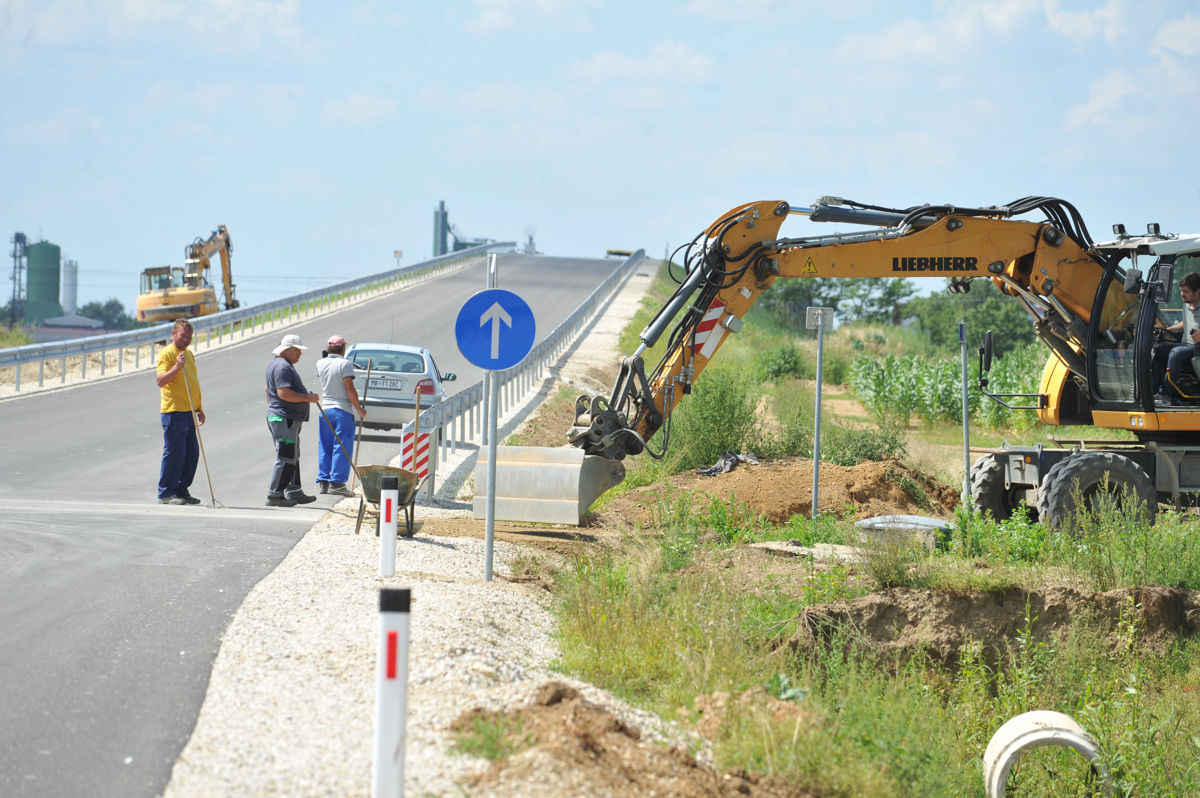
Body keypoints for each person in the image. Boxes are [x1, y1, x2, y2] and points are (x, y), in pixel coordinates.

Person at [265, 334, 320, 507]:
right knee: (286, 456)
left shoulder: (279, 364)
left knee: (292, 455)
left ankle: (294, 491)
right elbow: (283, 393)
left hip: (285, 417)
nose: (300, 354)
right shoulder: (282, 367)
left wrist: (275, 407)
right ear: (286, 350)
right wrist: (307, 398)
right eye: (297, 350)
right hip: (285, 418)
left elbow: (268, 390)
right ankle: (275, 494)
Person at [156, 318, 205, 505]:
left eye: (189, 336)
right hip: (174, 411)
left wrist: (198, 407)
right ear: (173, 334)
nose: (186, 339)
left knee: (192, 453)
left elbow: (192, 382)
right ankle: (166, 492)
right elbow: (161, 381)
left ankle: (180, 489)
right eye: (183, 335)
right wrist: (177, 366)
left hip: (189, 411)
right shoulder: (167, 354)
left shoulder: (188, 353)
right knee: (175, 453)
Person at [315, 335, 367, 496]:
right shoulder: (345, 364)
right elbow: (350, 389)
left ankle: (324, 481)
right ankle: (337, 483)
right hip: (342, 410)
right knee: (342, 446)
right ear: (343, 348)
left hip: (325, 410)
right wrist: (359, 410)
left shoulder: (320, 363)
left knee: (325, 445)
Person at [1158, 272, 1200, 404]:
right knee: (1158, 349)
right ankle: (1154, 390)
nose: (1182, 294)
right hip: (1185, 344)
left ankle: (1166, 394)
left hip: (1197, 348)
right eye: (1181, 291)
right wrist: (1168, 330)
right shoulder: (1187, 304)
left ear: (1198, 291)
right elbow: (1185, 323)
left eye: (1186, 291)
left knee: (1176, 353)